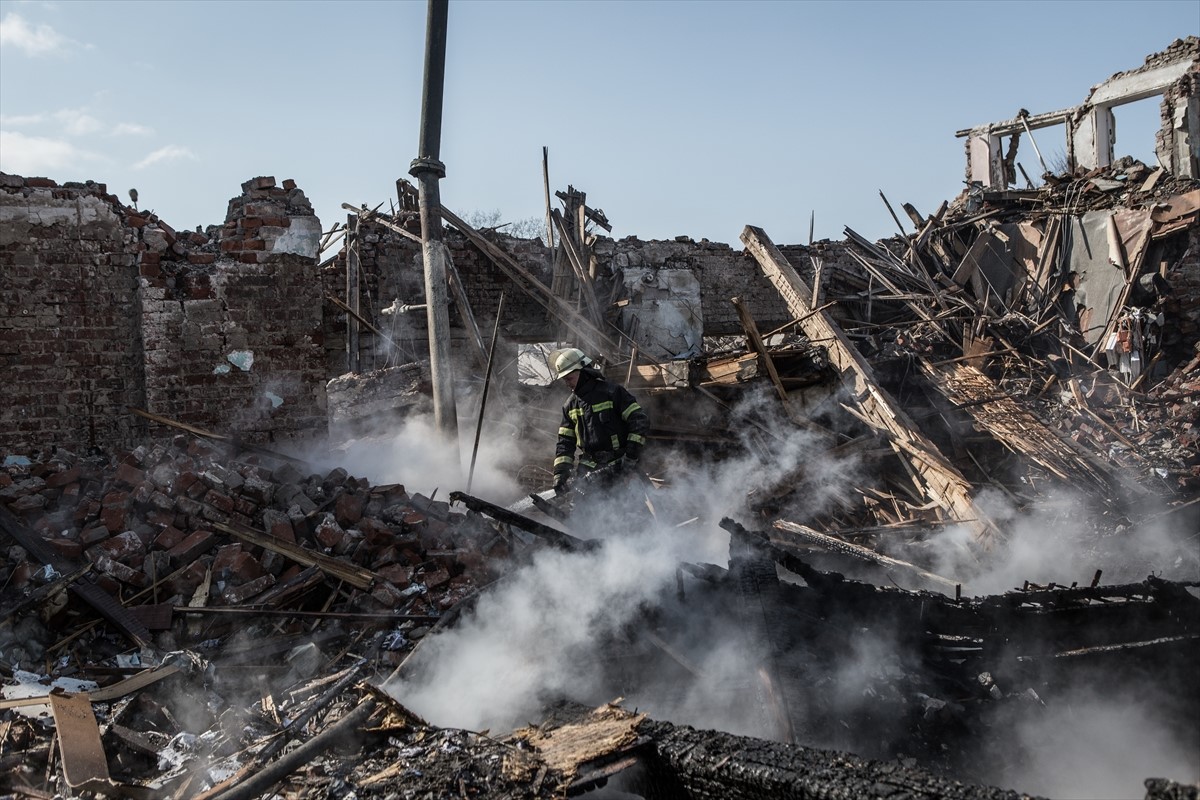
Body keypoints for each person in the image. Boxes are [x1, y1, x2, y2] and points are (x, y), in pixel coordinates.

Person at [550, 348, 649, 495]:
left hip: (619, 468)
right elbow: (565, 443)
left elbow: (639, 421)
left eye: (569, 378)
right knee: (586, 514)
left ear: (583, 372)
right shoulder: (570, 405)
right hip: (588, 472)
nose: (567, 384)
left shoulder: (612, 393)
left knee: (627, 513)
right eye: (564, 380)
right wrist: (560, 475)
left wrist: (630, 457)